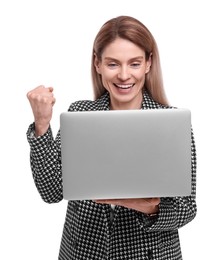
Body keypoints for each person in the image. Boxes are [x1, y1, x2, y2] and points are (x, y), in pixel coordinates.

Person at [26, 15, 197, 260]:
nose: (124, 75)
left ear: (149, 63)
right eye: (113, 64)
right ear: (97, 64)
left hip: (148, 255)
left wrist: (151, 208)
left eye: (135, 63)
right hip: (83, 254)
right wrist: (42, 124)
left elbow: (187, 209)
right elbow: (51, 192)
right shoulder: (80, 114)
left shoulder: (171, 122)